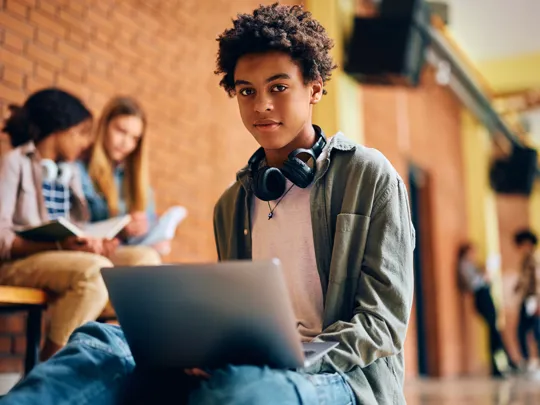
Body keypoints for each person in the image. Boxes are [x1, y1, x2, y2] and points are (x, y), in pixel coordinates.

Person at [0, 4, 414, 405]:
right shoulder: (232, 203)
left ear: (315, 89)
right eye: (246, 91)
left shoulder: (369, 176)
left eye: (279, 87)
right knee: (101, 343)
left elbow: (382, 326)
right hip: (244, 361)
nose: (261, 105)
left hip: (338, 376)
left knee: (241, 390)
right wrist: (201, 347)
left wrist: (283, 363)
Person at [0, 88, 117, 361]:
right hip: (18, 264)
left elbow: (79, 226)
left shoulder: (71, 173)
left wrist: (94, 241)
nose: (85, 142)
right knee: (95, 272)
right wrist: (55, 243)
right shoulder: (14, 163)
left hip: (65, 258)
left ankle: (119, 363)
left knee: (143, 259)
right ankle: (49, 371)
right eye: (80, 132)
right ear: (60, 129)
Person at [76, 96, 170, 255]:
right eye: (121, 131)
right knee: (144, 259)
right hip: (93, 251)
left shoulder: (138, 183)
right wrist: (119, 230)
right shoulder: (79, 170)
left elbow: (149, 229)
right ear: (104, 126)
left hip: (126, 250)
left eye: (134, 138)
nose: (126, 143)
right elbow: (75, 225)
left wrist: (146, 231)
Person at [457, 243, 516, 377]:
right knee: (493, 332)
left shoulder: (473, 265)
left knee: (495, 332)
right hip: (481, 299)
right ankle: (502, 363)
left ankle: (505, 362)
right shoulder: (464, 265)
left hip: (487, 298)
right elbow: (473, 284)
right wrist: (484, 276)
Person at [513, 229, 540, 371]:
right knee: (524, 331)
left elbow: (537, 280)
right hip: (527, 298)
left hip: (533, 299)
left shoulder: (533, 258)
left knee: (534, 331)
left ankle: (531, 362)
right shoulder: (527, 259)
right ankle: (528, 360)